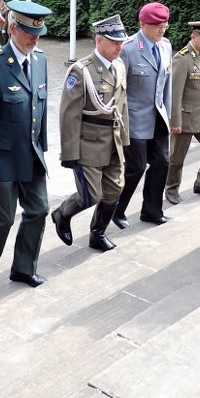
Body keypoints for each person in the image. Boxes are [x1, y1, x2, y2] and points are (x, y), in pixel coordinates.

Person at [0, 0, 53, 290]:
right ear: (12, 28)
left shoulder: (40, 61)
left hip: (31, 155)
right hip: (2, 157)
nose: (35, 38)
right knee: (3, 216)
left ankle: (23, 268)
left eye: (39, 32)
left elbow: (40, 108)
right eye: (30, 32)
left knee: (39, 210)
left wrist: (42, 146)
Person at [51, 15, 129, 252]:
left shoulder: (119, 66)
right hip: (88, 143)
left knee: (114, 189)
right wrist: (69, 152)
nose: (119, 46)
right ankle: (62, 214)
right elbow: (69, 114)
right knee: (90, 196)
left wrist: (125, 139)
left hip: (113, 140)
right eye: (114, 41)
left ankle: (97, 233)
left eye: (121, 42)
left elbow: (121, 106)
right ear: (99, 41)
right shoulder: (81, 71)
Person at [111, 2, 173, 229]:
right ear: (143, 24)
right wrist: (118, 123)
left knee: (162, 162)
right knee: (135, 167)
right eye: (157, 26)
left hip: (158, 117)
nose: (162, 30)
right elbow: (118, 89)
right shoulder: (127, 49)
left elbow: (167, 85)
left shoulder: (166, 46)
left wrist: (170, 116)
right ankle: (116, 210)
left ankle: (152, 210)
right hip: (134, 119)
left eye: (164, 26)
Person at [164, 21, 200, 205]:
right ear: (193, 36)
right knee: (177, 157)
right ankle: (171, 189)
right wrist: (175, 121)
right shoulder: (182, 59)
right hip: (185, 117)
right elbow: (175, 94)